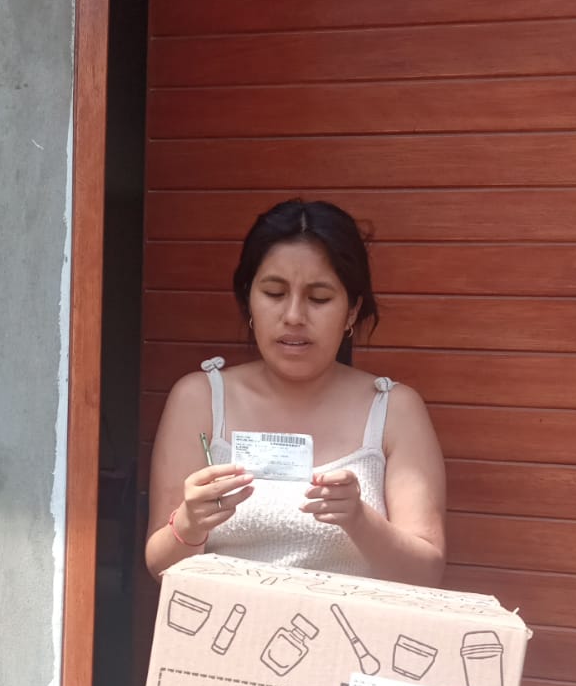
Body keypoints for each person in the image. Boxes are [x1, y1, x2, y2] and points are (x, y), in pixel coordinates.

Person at [145, 198, 446, 586]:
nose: (293, 316)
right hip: (226, 624)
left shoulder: (394, 411)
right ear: (248, 300)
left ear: (352, 311)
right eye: (274, 293)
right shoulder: (199, 398)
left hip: (346, 625)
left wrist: (360, 520)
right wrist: (188, 524)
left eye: (319, 299)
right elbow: (159, 567)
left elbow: (426, 574)